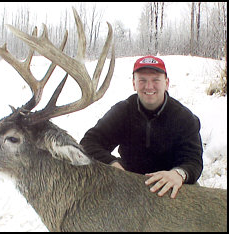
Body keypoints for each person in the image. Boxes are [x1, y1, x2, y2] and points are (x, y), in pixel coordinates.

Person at [80, 55, 203, 199]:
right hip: (130, 181)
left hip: (169, 184)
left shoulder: (184, 117)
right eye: (142, 80)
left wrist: (179, 174)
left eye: (156, 80)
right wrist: (113, 164)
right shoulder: (123, 111)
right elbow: (89, 142)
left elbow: (194, 161)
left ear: (166, 83)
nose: (149, 86)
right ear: (134, 84)